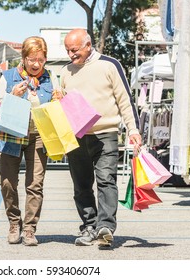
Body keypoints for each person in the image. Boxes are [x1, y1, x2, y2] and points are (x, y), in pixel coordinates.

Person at [59, 29, 142, 247]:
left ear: (88, 45)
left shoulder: (109, 65)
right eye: (67, 50)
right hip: (76, 135)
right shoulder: (65, 72)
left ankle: (105, 226)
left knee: (106, 179)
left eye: (74, 50)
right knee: (81, 185)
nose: (70, 55)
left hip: (106, 133)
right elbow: (62, 104)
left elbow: (125, 99)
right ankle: (89, 226)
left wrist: (133, 130)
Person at [0, 36, 60, 246]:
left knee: (35, 184)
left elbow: (57, 105)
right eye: (32, 59)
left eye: (40, 59)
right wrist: (12, 95)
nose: (36, 64)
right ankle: (14, 223)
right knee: (7, 182)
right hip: (11, 134)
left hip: (39, 135)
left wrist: (59, 100)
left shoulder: (50, 78)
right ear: (24, 58)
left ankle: (29, 229)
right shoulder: (8, 77)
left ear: (45, 59)